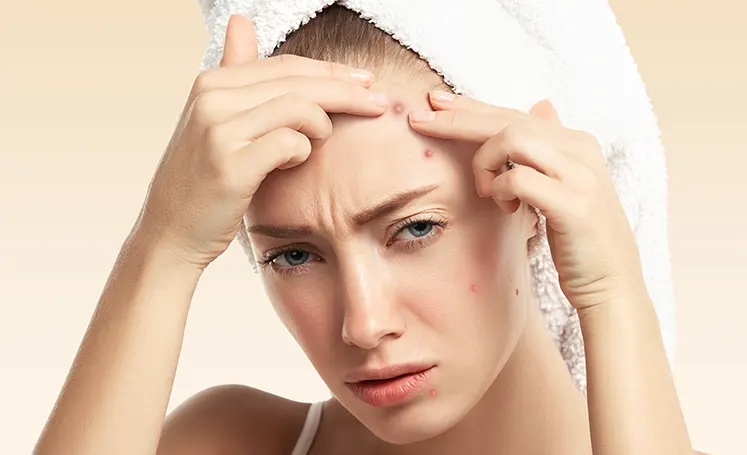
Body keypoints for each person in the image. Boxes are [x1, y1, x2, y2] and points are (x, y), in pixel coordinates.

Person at [32, 6, 709, 455]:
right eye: (294, 253)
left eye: (414, 228)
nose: (362, 321)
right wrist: (162, 247)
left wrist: (615, 294)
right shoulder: (231, 440)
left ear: (531, 200)